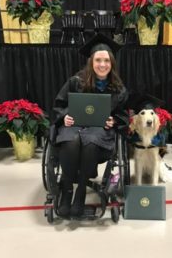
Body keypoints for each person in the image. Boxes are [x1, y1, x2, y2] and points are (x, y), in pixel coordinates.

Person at [52, 33, 129, 217]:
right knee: (71, 140)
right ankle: (68, 189)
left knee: (91, 142)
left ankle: (80, 194)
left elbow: (123, 115)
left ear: (112, 63)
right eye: (98, 60)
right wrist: (64, 117)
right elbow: (58, 105)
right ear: (91, 62)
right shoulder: (76, 81)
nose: (102, 65)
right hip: (73, 127)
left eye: (106, 61)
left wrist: (114, 120)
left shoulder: (118, 89)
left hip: (99, 132)